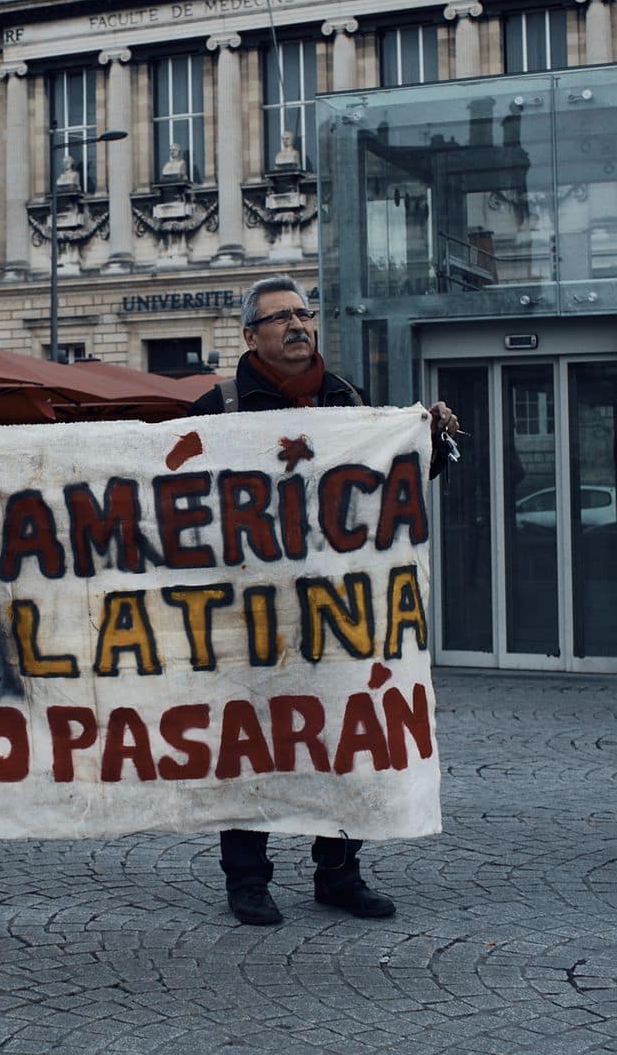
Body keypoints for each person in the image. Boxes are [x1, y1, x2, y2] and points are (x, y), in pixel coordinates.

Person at [190, 274, 459, 927]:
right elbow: (171, 498)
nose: (298, 325)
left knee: (345, 739)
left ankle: (340, 871)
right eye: (280, 317)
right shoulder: (220, 406)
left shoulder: (348, 399)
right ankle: (247, 880)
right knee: (249, 742)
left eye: (303, 313)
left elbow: (383, 485)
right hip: (247, 612)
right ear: (250, 335)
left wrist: (429, 442)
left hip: (338, 610)